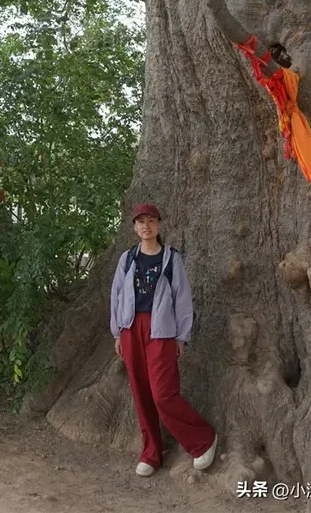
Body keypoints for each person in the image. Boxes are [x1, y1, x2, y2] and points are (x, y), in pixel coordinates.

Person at [110, 202, 217, 477]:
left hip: (161, 331)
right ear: (134, 227)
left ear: (159, 225)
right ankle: (151, 452)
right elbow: (117, 296)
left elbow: (182, 299)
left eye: (151, 221)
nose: (146, 226)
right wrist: (117, 332)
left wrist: (181, 336)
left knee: (163, 395)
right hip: (130, 329)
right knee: (141, 392)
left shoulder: (170, 259)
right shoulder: (127, 259)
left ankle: (203, 439)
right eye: (141, 221)